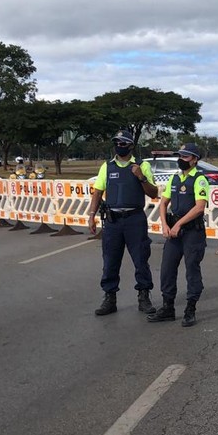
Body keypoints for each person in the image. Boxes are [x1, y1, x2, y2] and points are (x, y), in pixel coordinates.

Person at [87, 130, 159, 316]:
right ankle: (109, 298)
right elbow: (97, 192)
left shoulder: (141, 166)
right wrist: (91, 214)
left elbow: (153, 193)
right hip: (112, 221)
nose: (119, 146)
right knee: (110, 260)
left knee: (141, 259)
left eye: (123, 143)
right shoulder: (107, 166)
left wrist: (140, 177)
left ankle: (144, 296)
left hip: (135, 220)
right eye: (116, 142)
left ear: (130, 146)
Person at [148, 143, 209, 327]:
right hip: (173, 231)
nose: (181, 160)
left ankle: (190, 309)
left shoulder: (199, 180)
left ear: (195, 159)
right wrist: (165, 224)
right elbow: (163, 203)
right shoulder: (174, 179)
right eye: (180, 156)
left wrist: (179, 224)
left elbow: (199, 207)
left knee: (192, 270)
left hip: (192, 232)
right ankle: (168, 307)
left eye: (185, 157)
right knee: (167, 269)